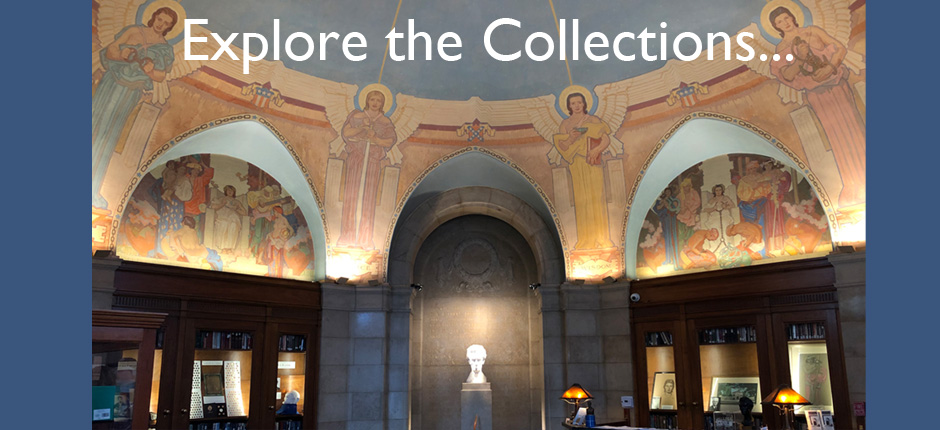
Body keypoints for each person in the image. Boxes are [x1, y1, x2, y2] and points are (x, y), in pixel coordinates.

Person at [769, 6, 865, 207]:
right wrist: (800, 58)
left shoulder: (812, 31)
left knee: (855, 126)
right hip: (816, 94)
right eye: (779, 22)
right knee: (836, 134)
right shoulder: (780, 50)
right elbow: (786, 74)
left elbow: (840, 48)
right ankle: (852, 184)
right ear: (775, 27)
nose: (784, 22)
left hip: (836, 84)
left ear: (793, 17)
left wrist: (830, 67)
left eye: (786, 17)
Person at [92, 7, 178, 209]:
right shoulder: (134, 31)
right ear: (153, 17)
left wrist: (149, 70)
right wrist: (123, 54)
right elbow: (111, 51)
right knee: (94, 123)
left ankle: (93, 188)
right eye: (159, 19)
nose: (161, 24)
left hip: (132, 91)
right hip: (112, 81)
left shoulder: (166, 49)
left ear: (170, 27)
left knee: (110, 135)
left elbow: (160, 76)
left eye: (166, 23)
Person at [553, 93, 614, 250]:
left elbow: (605, 139)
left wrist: (597, 150)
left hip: (592, 161)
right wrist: (571, 138)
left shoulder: (592, 120)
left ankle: (602, 239)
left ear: (584, 103)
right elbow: (563, 147)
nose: (577, 105)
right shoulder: (565, 124)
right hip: (577, 163)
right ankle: (585, 240)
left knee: (597, 196)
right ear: (569, 106)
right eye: (573, 103)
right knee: (582, 199)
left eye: (579, 102)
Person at [337, 90, 397, 249]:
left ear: (383, 103)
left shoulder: (385, 121)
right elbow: (346, 133)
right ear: (367, 100)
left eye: (378, 100)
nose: (375, 102)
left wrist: (375, 138)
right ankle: (347, 235)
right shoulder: (357, 115)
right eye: (372, 99)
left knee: (368, 198)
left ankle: (365, 238)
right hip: (356, 158)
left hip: (372, 161)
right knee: (351, 195)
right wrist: (361, 128)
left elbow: (390, 141)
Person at [210, 185, 248, 252]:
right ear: (225, 191)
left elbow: (244, 213)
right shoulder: (222, 199)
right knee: (224, 224)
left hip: (233, 217)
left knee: (233, 226)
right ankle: (222, 247)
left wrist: (236, 209)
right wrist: (222, 204)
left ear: (234, 192)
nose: (230, 192)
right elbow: (213, 206)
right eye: (228, 190)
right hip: (223, 217)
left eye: (231, 190)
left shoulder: (236, 202)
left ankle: (230, 248)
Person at [653, 186, 681, 270]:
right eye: (666, 192)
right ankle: (668, 259)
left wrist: (668, 205)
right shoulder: (660, 201)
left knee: (673, 239)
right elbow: (657, 208)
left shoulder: (674, 200)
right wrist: (662, 203)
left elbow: (676, 209)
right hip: (665, 220)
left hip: (671, 220)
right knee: (667, 239)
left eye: (669, 192)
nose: (668, 194)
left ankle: (676, 261)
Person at [701, 184, 735, 251]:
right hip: (715, 217)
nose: (718, 192)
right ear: (714, 191)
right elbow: (705, 209)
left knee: (725, 225)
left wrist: (726, 207)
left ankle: (726, 246)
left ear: (722, 190)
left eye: (720, 190)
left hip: (724, 215)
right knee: (714, 227)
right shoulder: (712, 200)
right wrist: (713, 208)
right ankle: (716, 247)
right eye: (717, 190)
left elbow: (732, 205)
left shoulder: (726, 198)